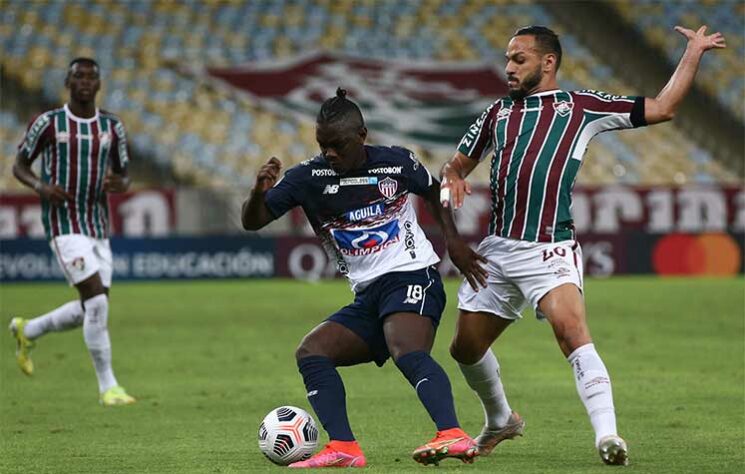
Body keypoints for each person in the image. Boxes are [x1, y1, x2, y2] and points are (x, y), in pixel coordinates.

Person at [440, 25, 726, 466]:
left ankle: (607, 436)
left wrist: (693, 53)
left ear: (548, 63)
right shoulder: (497, 113)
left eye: (519, 59)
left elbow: (664, 107)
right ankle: (501, 421)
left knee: (571, 332)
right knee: (464, 349)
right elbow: (455, 166)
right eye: (507, 59)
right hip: (496, 252)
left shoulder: (581, 107)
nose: (509, 67)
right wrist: (454, 178)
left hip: (548, 248)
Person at [242, 88, 484, 468]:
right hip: (369, 294)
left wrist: (454, 243)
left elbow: (434, 193)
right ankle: (343, 447)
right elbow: (253, 221)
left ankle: (452, 433)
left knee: (406, 349)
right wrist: (259, 193)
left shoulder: (397, 163)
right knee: (312, 353)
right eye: (323, 145)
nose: (330, 153)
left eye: (337, 145)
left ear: (361, 135)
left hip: (411, 274)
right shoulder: (307, 177)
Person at [10, 57, 135, 407]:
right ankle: (108, 386)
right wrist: (41, 186)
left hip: (97, 224)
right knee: (95, 300)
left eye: (91, 76)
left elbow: (125, 174)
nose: (84, 81)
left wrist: (119, 183)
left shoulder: (112, 127)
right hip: (63, 224)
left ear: (98, 84)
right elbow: (20, 165)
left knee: (92, 308)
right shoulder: (48, 123)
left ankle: (28, 329)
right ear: (67, 81)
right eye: (78, 75)